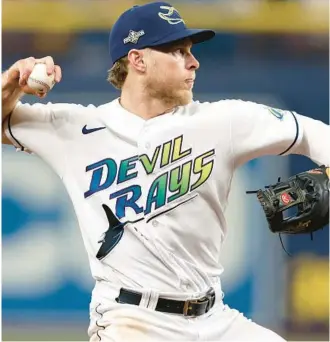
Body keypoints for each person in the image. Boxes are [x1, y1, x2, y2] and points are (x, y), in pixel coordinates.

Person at [2, 2, 329, 341]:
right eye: (177, 51)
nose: (193, 61)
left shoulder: (222, 121)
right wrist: (12, 82)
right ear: (138, 59)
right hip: (131, 322)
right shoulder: (74, 128)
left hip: (215, 318)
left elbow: (311, 133)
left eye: (189, 51)